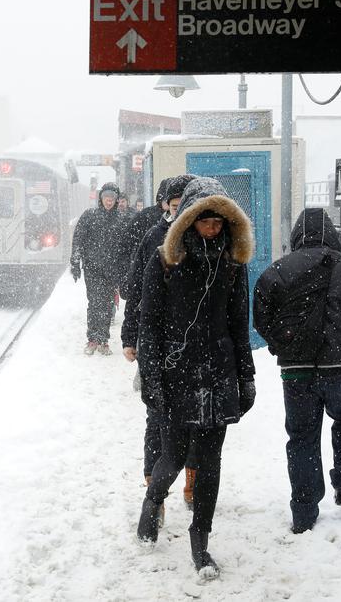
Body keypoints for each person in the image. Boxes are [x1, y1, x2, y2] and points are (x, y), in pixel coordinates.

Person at [135, 177, 256, 579]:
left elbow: (240, 324)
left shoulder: (232, 264)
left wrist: (247, 376)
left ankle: (200, 541)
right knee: (172, 454)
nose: (213, 228)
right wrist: (151, 376)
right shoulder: (164, 261)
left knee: (211, 460)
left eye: (220, 221)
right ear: (188, 221)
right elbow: (148, 323)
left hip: (217, 373)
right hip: (176, 373)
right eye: (205, 220)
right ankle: (153, 501)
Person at [253, 207, 341, 534]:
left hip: (296, 371)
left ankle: (303, 510)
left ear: (297, 235)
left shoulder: (278, 271)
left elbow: (261, 315)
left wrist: (281, 344)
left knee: (301, 437)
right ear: (332, 233)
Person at [120, 174, 197, 505]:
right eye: (175, 204)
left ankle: (193, 484)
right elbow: (136, 291)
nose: (179, 211)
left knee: (198, 420)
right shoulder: (155, 237)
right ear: (165, 204)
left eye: (186, 205)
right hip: (159, 343)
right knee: (157, 416)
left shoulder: (208, 236)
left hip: (196, 346)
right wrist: (129, 335)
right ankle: (156, 489)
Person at [70, 183, 127, 355]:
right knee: (94, 302)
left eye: (112, 198)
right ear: (101, 199)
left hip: (112, 269)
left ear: (116, 200)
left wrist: (125, 268)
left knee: (108, 304)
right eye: (106, 198)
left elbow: (125, 247)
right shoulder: (89, 216)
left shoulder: (121, 219)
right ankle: (93, 339)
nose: (109, 201)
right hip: (92, 268)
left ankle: (104, 340)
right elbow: (78, 239)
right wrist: (75, 262)